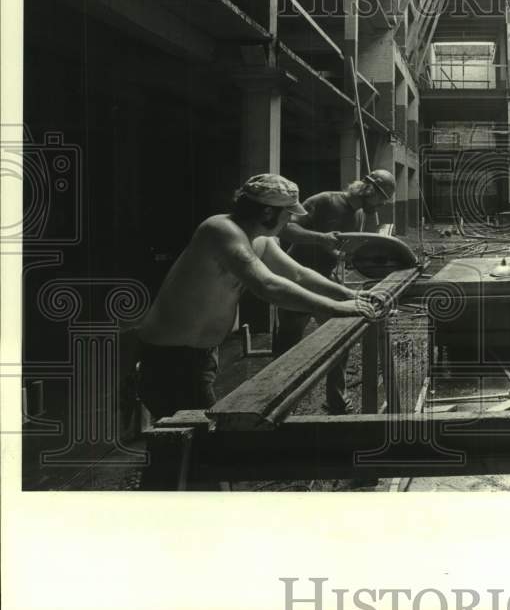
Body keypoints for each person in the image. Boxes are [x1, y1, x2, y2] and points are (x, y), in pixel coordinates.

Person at [132, 174, 382, 421]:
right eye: (287, 213)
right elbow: (267, 284)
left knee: (201, 445)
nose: (290, 220)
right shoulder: (221, 229)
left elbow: (298, 273)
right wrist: (338, 308)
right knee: (205, 446)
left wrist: (352, 294)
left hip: (201, 355)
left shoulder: (261, 239)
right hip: (170, 359)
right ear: (266, 213)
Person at [274, 169, 396, 413]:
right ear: (371, 190)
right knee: (288, 344)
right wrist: (321, 238)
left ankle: (337, 400)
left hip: (325, 278)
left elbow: (342, 248)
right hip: (297, 277)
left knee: (340, 338)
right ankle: (278, 403)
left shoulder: (360, 213)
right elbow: (285, 228)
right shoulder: (325, 200)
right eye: (382, 198)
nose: (383, 204)